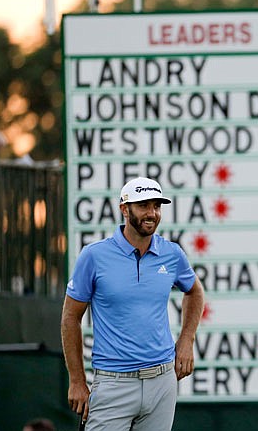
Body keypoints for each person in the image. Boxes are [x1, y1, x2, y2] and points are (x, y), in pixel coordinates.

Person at [61, 177, 205, 430]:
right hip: (113, 383)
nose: (152, 213)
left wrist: (186, 339)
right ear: (125, 209)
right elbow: (70, 317)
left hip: (162, 381)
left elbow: (195, 292)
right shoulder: (94, 256)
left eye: (156, 206)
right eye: (143, 206)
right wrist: (76, 380)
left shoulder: (171, 253)